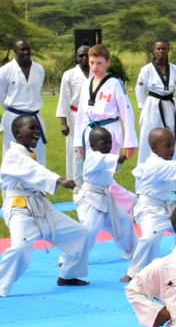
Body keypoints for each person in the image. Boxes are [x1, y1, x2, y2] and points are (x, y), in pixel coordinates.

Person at [0, 115, 89, 296]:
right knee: (19, 248)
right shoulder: (13, 155)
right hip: (20, 210)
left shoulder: (29, 153)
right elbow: (34, 171)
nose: (36, 132)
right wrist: (59, 180)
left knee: (80, 234)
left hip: (40, 206)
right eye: (31, 128)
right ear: (17, 132)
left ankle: (68, 274)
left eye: (38, 129)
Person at [122, 128, 176, 282]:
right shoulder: (156, 165)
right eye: (167, 146)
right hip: (150, 210)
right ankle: (133, 273)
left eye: (173, 145)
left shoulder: (164, 163)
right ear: (154, 148)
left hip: (167, 207)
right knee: (149, 238)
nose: (172, 150)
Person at [75, 126, 136, 262]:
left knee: (124, 221)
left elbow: (110, 177)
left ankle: (133, 250)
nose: (109, 145)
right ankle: (71, 256)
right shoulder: (93, 158)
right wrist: (120, 158)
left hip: (104, 199)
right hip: (90, 200)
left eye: (110, 142)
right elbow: (104, 160)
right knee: (90, 230)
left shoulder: (105, 159)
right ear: (92, 145)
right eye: (104, 142)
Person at [73, 44, 138, 163]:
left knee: (107, 170)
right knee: (90, 170)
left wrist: (129, 142)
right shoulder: (86, 84)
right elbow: (81, 114)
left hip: (110, 132)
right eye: (91, 62)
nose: (94, 67)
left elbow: (127, 113)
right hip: (90, 131)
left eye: (99, 63)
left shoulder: (115, 84)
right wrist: (78, 140)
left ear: (107, 63)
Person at [0, 40, 47, 165]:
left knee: (38, 152)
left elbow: (36, 93)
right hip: (13, 118)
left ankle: (38, 182)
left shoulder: (39, 69)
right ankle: (14, 184)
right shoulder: (5, 70)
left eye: (28, 49)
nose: (26, 52)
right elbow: (1, 96)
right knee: (13, 152)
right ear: (15, 52)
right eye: (22, 49)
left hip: (34, 116)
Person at [135, 40, 176, 164]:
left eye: (164, 49)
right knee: (150, 134)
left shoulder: (174, 68)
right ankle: (146, 166)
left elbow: (175, 86)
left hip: (170, 104)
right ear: (154, 51)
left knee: (172, 134)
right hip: (152, 105)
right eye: (158, 49)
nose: (161, 51)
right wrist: (142, 107)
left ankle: (174, 165)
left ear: (168, 50)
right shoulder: (146, 69)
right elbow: (140, 89)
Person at [55, 45, 90, 183]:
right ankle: (77, 185)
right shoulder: (69, 74)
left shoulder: (98, 72)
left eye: (87, 55)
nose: (84, 58)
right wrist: (63, 123)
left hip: (94, 116)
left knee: (94, 148)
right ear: (76, 57)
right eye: (81, 55)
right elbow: (63, 99)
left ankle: (92, 184)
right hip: (75, 117)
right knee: (75, 151)